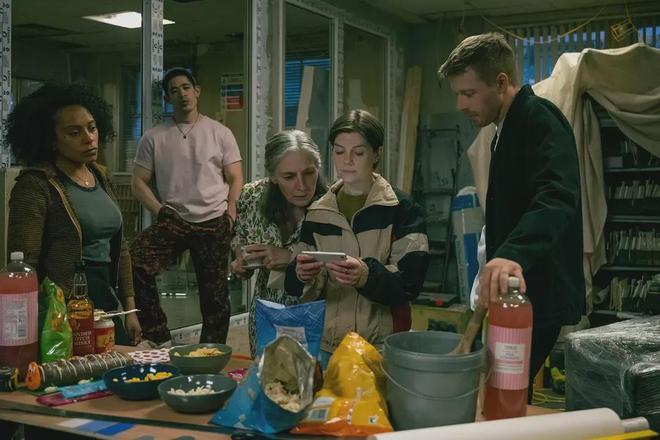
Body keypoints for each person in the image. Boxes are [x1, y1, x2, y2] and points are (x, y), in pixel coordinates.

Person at [438, 33, 585, 398]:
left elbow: (557, 195)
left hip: (537, 296)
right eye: (458, 94)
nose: (460, 104)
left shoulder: (538, 118)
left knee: (505, 394)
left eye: (468, 93)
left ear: (501, 82)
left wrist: (512, 254)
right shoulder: (503, 131)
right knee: (503, 392)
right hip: (516, 293)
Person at [284, 109, 430, 366]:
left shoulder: (402, 209)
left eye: (358, 153)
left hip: (383, 346)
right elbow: (294, 286)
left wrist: (366, 275)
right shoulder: (317, 212)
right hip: (328, 346)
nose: (347, 161)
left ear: (377, 153)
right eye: (339, 152)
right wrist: (301, 275)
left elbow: (410, 282)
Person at [6, 83, 142, 345]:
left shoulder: (101, 176)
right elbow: (25, 263)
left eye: (92, 128)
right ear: (51, 140)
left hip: (106, 296)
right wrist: (33, 323)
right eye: (74, 132)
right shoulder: (36, 184)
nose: (89, 138)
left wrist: (130, 309)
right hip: (65, 302)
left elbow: (121, 246)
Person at [131, 67, 243, 344]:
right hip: (175, 219)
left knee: (215, 296)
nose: (182, 94)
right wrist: (160, 211)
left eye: (186, 87)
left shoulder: (220, 133)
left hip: (214, 219)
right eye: (174, 90)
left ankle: (211, 350)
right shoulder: (154, 137)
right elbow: (138, 182)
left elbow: (235, 177)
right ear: (167, 99)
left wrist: (231, 213)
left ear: (197, 91)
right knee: (136, 260)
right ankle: (158, 335)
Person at [230, 129, 327, 357]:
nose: (301, 185)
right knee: (267, 375)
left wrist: (290, 258)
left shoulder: (332, 207)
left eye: (309, 173)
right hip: (267, 315)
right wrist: (241, 263)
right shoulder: (251, 197)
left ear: (318, 169)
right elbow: (240, 242)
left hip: (317, 316)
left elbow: (343, 266)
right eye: (289, 177)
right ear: (273, 176)